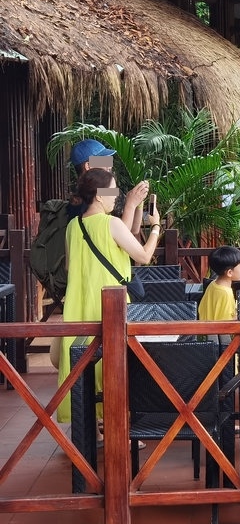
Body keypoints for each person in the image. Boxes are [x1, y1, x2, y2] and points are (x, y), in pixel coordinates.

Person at [56, 168, 162, 423]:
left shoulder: (74, 225)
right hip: (110, 304)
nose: (115, 196)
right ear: (100, 196)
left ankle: (92, 425)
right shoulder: (110, 223)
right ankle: (118, 432)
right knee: (114, 367)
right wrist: (156, 226)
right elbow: (144, 256)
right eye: (111, 190)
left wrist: (134, 207)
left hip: (80, 304)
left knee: (84, 364)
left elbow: (72, 266)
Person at [199, 246, 240, 322]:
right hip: (217, 333)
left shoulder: (213, 284)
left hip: (206, 331)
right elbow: (225, 325)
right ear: (229, 272)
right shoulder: (226, 293)